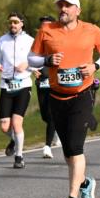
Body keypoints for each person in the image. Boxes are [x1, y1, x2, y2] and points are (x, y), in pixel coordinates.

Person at [28, 0, 100, 198]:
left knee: (76, 148)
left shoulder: (91, 30)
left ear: (78, 10)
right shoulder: (47, 30)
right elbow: (31, 59)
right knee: (68, 152)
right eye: (60, 6)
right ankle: (86, 183)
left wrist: (95, 65)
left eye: (67, 6)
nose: (62, 9)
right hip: (56, 97)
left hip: (81, 96)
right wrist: (47, 61)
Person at [0, 12, 33, 169]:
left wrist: (26, 65)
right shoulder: (2, 40)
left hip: (23, 85)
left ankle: (19, 156)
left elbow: (37, 60)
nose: (13, 25)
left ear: (22, 23)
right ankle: (15, 140)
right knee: (4, 126)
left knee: (17, 124)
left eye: (16, 22)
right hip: (6, 85)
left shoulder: (30, 41)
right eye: (10, 22)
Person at [34, 15, 59, 159]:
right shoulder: (36, 43)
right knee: (45, 116)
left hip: (54, 83)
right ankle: (56, 131)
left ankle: (47, 146)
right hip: (41, 83)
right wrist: (32, 70)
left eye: (47, 25)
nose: (45, 28)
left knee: (51, 116)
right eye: (42, 25)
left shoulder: (57, 42)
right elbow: (28, 59)